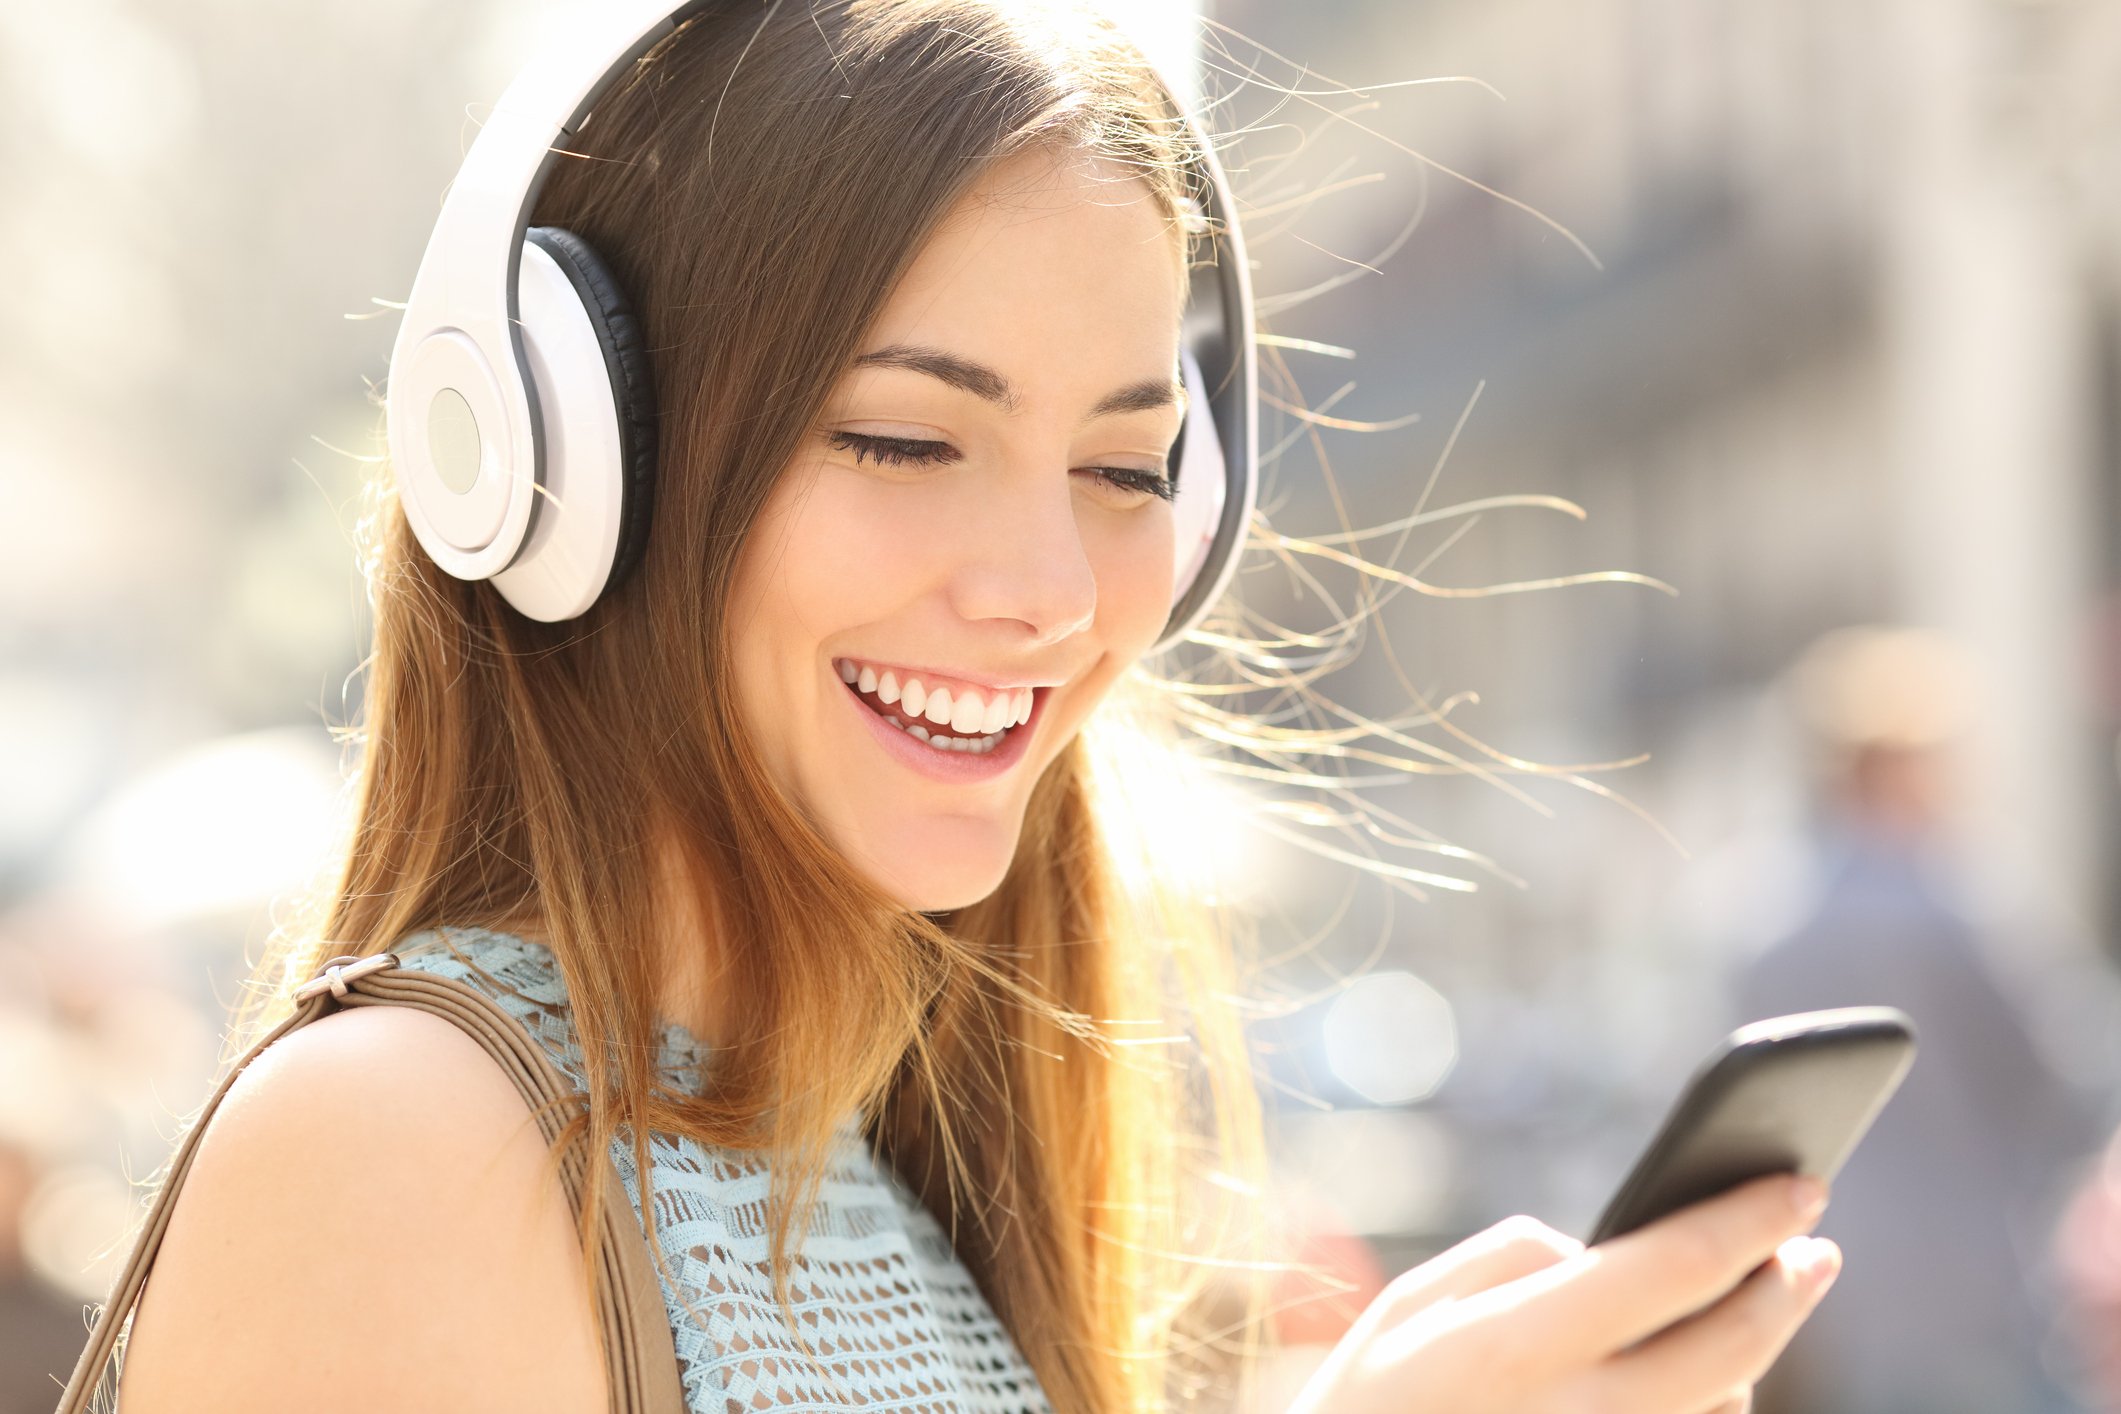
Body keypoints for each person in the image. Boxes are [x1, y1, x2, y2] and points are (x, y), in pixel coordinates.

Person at [93, 3, 1841, 1411]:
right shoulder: (402, 1142)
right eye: (904, 438)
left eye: (1125, 464)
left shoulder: (875, 1152)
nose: (1052, 588)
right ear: (561, 450)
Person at [1730, 625, 2105, 1413]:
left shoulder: (1755, 916)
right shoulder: (1962, 908)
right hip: (1971, 1278)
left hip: (1827, 1282)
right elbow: (2061, 1089)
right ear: (1898, 765)